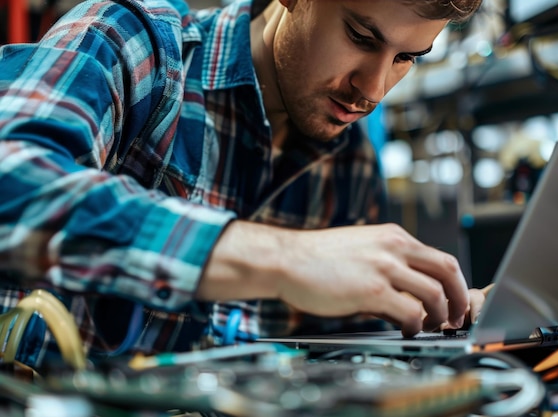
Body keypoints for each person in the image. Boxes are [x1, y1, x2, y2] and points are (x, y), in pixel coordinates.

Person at [0, 0, 484, 370]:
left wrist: (440, 322)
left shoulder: (350, 162)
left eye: (407, 58)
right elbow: (13, 182)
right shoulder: (136, 44)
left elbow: (347, 366)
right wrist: (283, 258)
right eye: (360, 35)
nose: (374, 90)